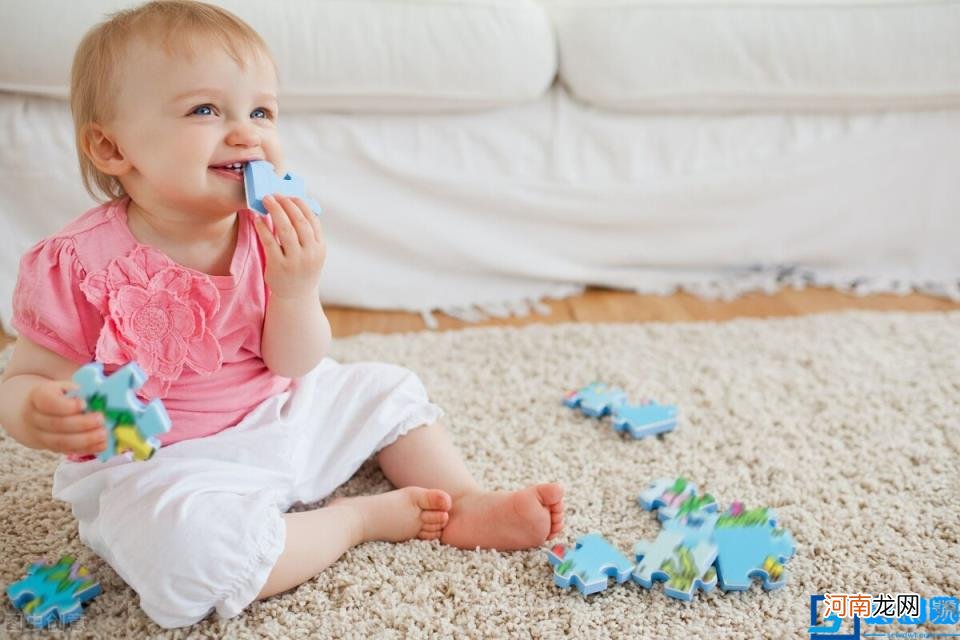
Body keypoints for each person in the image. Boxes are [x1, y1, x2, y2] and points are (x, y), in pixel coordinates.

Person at [0, 1, 564, 629]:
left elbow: (295, 363)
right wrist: (34, 410)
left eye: (261, 110)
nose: (247, 132)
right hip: (166, 464)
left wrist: (297, 288)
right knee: (189, 558)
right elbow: (25, 376)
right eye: (205, 110)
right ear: (112, 147)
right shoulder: (77, 265)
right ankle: (353, 520)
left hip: (281, 411)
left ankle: (462, 500)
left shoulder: (266, 229)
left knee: (386, 389)